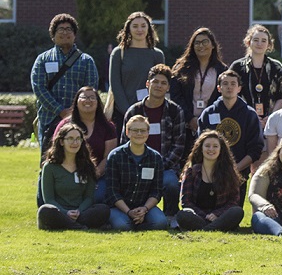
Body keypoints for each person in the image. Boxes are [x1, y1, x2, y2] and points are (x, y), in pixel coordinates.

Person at [120, 66, 190, 214]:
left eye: (163, 83)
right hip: (136, 166)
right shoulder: (134, 111)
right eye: (155, 81)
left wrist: (159, 166)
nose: (159, 85)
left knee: (171, 184)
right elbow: (124, 142)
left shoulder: (175, 111)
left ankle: (171, 216)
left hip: (166, 167)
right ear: (147, 84)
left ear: (168, 87)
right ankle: (133, 213)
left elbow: (179, 146)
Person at [31, 14, 100, 153]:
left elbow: (90, 91)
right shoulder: (42, 59)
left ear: (74, 35)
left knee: (79, 161)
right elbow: (39, 88)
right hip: (49, 119)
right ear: (53, 35)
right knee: (47, 162)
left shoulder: (86, 61)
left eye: (69, 29)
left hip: (79, 120)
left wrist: (74, 111)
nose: (64, 32)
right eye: (60, 29)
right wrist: (60, 111)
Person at [196, 70, 264, 184]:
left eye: (233, 84)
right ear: (219, 88)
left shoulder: (249, 115)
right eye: (225, 84)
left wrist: (235, 169)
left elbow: (255, 149)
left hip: (238, 175)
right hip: (211, 174)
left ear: (239, 88)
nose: (229, 87)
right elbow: (200, 145)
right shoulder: (208, 114)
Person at [37, 124, 109, 230]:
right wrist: (66, 213)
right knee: (45, 210)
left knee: (104, 209)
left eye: (78, 139)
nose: (75, 142)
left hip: (81, 212)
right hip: (58, 211)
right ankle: (77, 226)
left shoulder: (87, 165)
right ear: (61, 142)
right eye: (70, 139)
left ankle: (70, 225)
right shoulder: (50, 167)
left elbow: (89, 197)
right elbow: (49, 199)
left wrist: (79, 211)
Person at [107, 115, 170, 230]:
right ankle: (132, 222)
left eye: (143, 130)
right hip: (120, 207)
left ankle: (138, 221)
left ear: (148, 133)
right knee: (123, 226)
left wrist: (144, 209)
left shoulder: (156, 158)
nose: (139, 134)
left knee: (161, 223)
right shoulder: (115, 156)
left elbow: (156, 191)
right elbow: (112, 192)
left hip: (145, 206)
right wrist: (129, 211)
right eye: (135, 130)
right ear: (127, 132)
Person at [175, 131, 246, 232]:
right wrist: (205, 216)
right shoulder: (191, 172)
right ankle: (214, 228)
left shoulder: (229, 172)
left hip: (220, 216)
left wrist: (216, 214)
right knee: (182, 215)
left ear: (221, 149)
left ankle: (206, 229)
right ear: (201, 148)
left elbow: (233, 201)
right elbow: (186, 202)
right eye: (207, 146)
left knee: (237, 211)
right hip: (198, 216)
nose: (211, 149)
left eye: (215, 146)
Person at [56, 87, 119, 192]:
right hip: (68, 174)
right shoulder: (65, 124)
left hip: (98, 176)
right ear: (76, 102)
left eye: (92, 98)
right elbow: (56, 151)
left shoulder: (108, 127)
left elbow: (109, 157)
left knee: (98, 196)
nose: (88, 100)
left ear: (98, 103)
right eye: (84, 97)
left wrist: (93, 176)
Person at [107, 12, 165, 122]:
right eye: (135, 26)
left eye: (143, 26)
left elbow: (160, 84)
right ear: (128, 28)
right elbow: (115, 84)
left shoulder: (157, 54)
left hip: (150, 112)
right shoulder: (119, 53)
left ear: (149, 28)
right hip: (122, 113)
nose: (140, 30)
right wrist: (128, 111)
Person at [172, 28, 228, 131]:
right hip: (185, 124)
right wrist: (190, 118)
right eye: (197, 43)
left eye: (205, 42)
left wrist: (206, 118)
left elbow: (224, 97)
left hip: (212, 123)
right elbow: (176, 96)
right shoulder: (181, 69)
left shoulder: (222, 70)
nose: (201, 46)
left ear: (213, 45)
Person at [228, 25, 282, 121]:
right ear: (248, 42)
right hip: (243, 119)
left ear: (269, 45)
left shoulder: (276, 67)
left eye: (264, 41)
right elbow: (230, 93)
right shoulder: (237, 67)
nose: (259, 43)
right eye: (256, 40)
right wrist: (249, 116)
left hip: (271, 121)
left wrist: (271, 118)